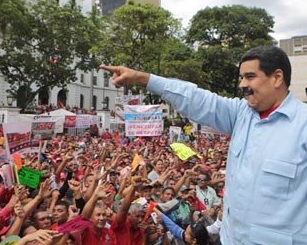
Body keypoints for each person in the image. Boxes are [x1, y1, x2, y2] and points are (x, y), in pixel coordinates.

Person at [100, 45, 307, 244]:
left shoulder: (302, 126)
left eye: (250, 77)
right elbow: (196, 99)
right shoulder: (240, 114)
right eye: (242, 77)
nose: (242, 84)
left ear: (277, 78)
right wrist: (142, 78)